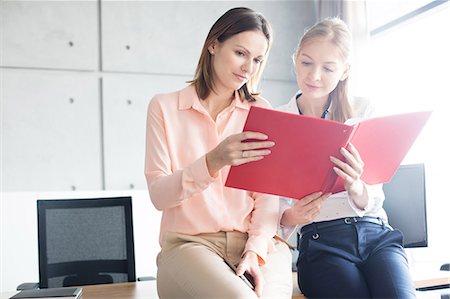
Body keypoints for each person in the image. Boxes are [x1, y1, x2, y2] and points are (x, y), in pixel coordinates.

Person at [145, 7, 292, 299]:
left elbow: (266, 201)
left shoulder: (261, 112)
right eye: (240, 53)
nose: (248, 68)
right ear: (213, 44)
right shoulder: (164, 108)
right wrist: (214, 161)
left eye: (257, 59)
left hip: (257, 245)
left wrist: (254, 252)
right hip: (189, 247)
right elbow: (159, 195)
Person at [278, 17, 417, 298]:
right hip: (321, 241)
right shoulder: (279, 120)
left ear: (344, 71)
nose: (314, 75)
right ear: (295, 60)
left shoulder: (364, 111)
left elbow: (375, 198)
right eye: (306, 62)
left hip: (377, 235)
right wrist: (291, 216)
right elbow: (271, 207)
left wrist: (356, 185)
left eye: (328, 67)